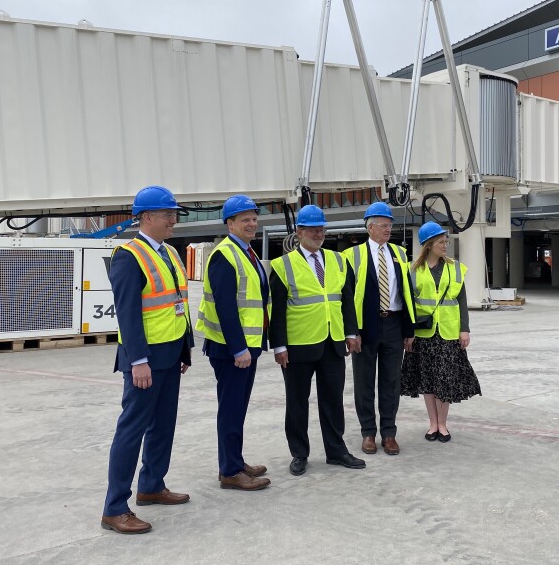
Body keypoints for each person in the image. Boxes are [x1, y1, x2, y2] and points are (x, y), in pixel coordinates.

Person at [101, 185, 193, 535]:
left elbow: (177, 304)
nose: (174, 219)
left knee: (163, 426)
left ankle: (152, 485)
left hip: (170, 355)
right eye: (168, 214)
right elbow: (127, 314)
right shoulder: (129, 255)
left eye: (174, 214)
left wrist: (184, 350)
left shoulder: (168, 252)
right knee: (132, 430)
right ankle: (114, 508)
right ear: (148, 217)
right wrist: (138, 360)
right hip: (146, 360)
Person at [269, 204, 365, 476]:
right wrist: (279, 346)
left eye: (321, 229)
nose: (318, 233)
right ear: (298, 232)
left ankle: (336, 451)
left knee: (333, 400)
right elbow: (276, 310)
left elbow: (346, 299)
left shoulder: (337, 260)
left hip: (332, 342)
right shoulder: (283, 265)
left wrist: (351, 332)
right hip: (298, 345)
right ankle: (299, 453)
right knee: (297, 402)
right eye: (312, 229)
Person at [195, 195, 271, 492]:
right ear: (230, 223)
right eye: (245, 220)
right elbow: (226, 307)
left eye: (254, 218)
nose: (252, 223)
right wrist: (238, 348)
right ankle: (229, 471)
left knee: (237, 408)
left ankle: (235, 461)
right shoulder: (225, 254)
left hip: (246, 345)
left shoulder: (246, 252)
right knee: (230, 408)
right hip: (231, 348)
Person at [343, 202, 415, 456]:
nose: (388, 229)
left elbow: (405, 293)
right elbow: (347, 295)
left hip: (394, 324)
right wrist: (352, 332)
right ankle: (368, 433)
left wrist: (409, 330)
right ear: (370, 227)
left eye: (390, 225)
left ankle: (389, 433)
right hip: (366, 327)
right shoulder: (352, 255)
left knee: (391, 382)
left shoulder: (399, 253)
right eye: (384, 225)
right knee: (364, 382)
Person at [400, 221, 481, 443]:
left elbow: (462, 300)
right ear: (428, 245)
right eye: (441, 242)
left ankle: (443, 424)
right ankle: (432, 423)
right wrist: (409, 333)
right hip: (424, 334)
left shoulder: (455, 267)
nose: (445, 245)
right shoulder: (412, 270)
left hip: (448, 332)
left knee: (444, 381)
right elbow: (408, 304)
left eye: (446, 241)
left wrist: (464, 329)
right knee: (427, 381)